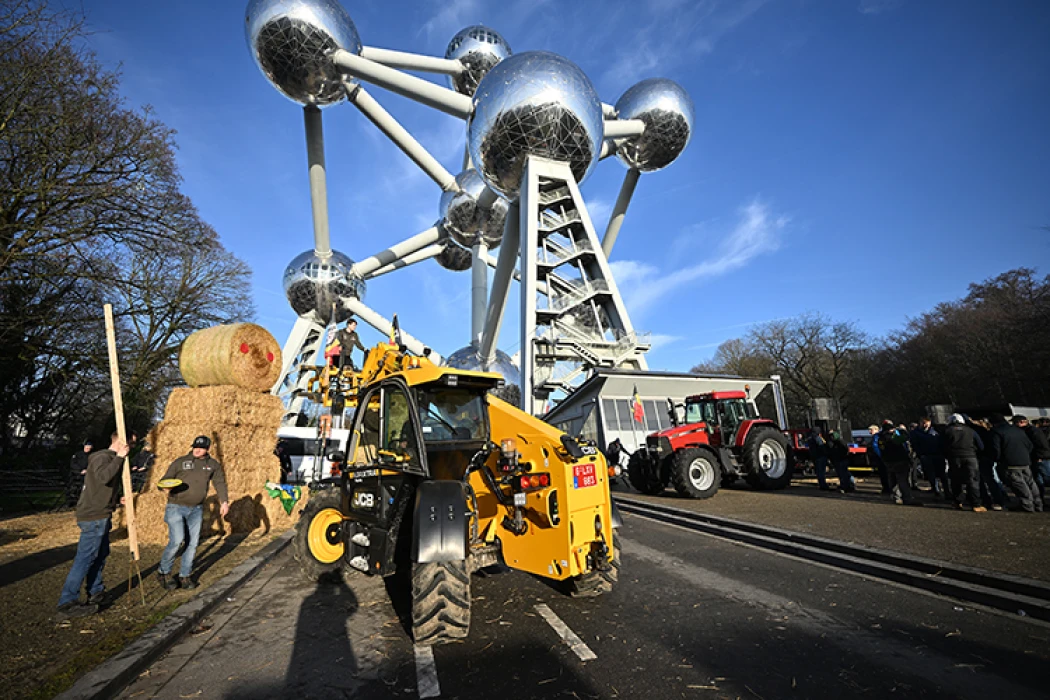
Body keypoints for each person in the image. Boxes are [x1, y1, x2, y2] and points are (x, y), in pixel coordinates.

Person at [56, 433, 128, 618]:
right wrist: (120, 457)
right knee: (86, 558)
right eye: (130, 442)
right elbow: (103, 477)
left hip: (103, 512)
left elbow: (102, 488)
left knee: (101, 554)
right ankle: (67, 601)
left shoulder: (109, 458)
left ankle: (95, 591)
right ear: (120, 441)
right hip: (93, 516)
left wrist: (116, 500)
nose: (131, 447)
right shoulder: (102, 457)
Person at [156, 436, 229, 590]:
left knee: (192, 544)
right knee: (177, 541)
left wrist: (224, 501)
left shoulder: (212, 465)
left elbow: (220, 482)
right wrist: (164, 488)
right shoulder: (181, 462)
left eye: (201, 447)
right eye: (195, 446)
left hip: (196, 509)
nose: (197, 449)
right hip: (176, 506)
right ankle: (164, 572)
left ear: (207, 449)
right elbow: (164, 480)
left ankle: (185, 576)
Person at [990, 414, 1040, 512]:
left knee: (1019, 484)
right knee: (1030, 483)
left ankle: (1027, 505)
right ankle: (1038, 504)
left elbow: (996, 449)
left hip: (1010, 462)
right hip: (1025, 460)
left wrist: (998, 459)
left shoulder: (996, 432)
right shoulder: (1018, 430)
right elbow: (1029, 445)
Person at [942, 414, 985, 512]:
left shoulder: (947, 431)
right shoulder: (971, 431)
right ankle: (976, 504)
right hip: (970, 457)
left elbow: (941, 445)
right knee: (973, 480)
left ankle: (957, 502)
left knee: (956, 480)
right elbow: (981, 445)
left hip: (954, 458)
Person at [879, 420, 921, 506]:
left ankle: (895, 497)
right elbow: (905, 437)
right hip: (899, 460)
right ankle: (907, 498)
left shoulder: (881, 438)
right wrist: (903, 430)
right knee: (903, 480)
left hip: (888, 461)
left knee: (892, 479)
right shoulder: (893, 437)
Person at [971, 417, 1006, 511]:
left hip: (980, 457)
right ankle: (1000, 498)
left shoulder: (976, 432)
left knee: (982, 480)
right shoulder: (990, 432)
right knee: (992, 479)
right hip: (988, 457)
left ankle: (987, 499)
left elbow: (980, 446)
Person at [911, 417, 949, 499]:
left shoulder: (936, 431)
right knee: (931, 474)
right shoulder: (916, 433)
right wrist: (921, 454)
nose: (925, 425)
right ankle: (936, 490)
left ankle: (947, 491)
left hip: (938, 455)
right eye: (923, 423)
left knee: (943, 475)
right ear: (920, 423)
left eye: (927, 423)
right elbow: (915, 444)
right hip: (926, 455)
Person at [1016, 415, 1050, 501]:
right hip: (1039, 457)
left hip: (1040, 457)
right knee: (1039, 479)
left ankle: (1039, 499)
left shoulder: (1032, 431)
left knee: (1045, 478)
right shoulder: (1031, 430)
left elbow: (1041, 444)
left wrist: (1040, 456)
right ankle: (1039, 499)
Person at [65, 439, 93, 508]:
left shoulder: (91, 456)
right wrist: (80, 470)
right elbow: (73, 464)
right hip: (76, 475)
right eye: (87, 447)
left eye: (89, 448)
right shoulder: (77, 454)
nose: (88, 449)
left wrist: (87, 470)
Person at [866, 424, 891, 494]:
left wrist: (880, 456)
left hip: (880, 458)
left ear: (876, 429)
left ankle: (886, 488)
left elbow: (875, 447)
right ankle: (888, 488)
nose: (870, 431)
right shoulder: (879, 436)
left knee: (884, 473)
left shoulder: (876, 437)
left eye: (871, 429)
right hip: (884, 458)